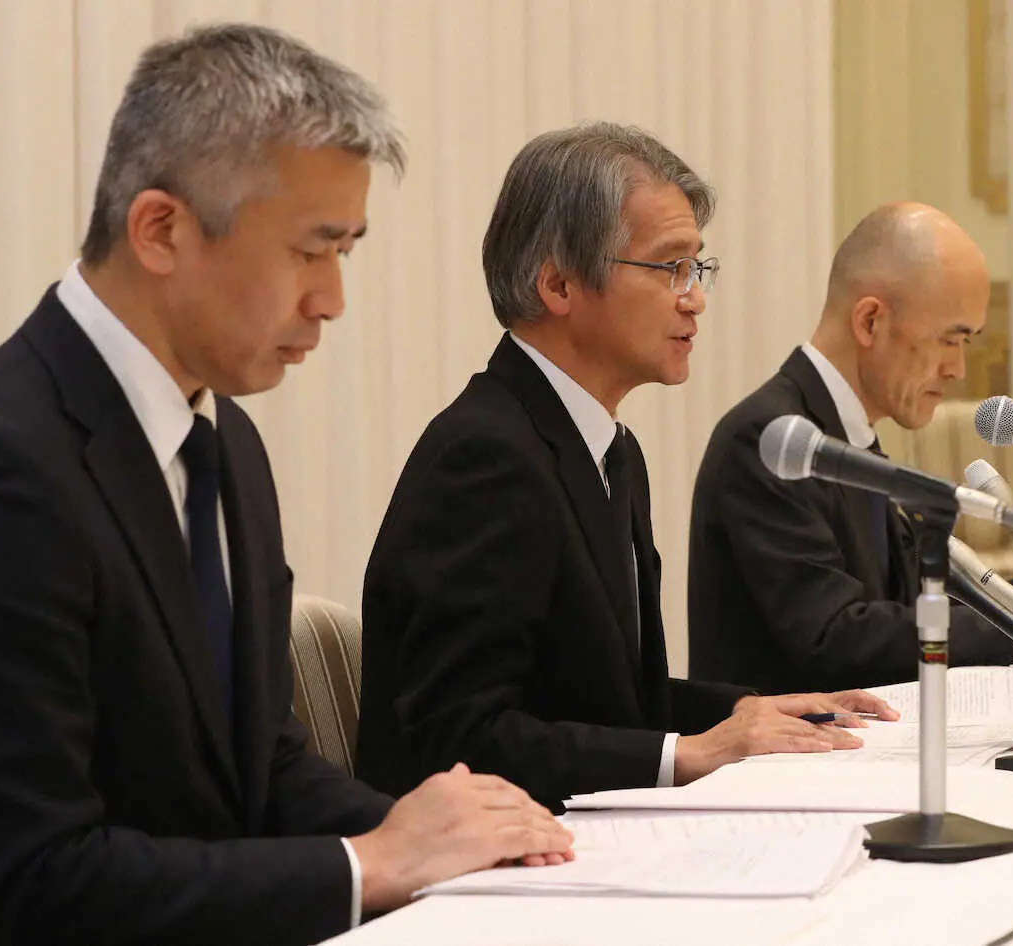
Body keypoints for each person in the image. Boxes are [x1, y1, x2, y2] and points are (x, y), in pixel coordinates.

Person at [0, 24, 570, 946]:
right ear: (161, 229)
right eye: (310, 250)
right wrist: (371, 864)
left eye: (347, 252)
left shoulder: (228, 444)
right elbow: (33, 877)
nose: (331, 299)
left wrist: (441, 840)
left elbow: (265, 764)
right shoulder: (2, 458)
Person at [356, 123, 896, 814]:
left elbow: (613, 701)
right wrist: (691, 752)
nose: (694, 297)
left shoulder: (610, 449)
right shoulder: (486, 456)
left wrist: (755, 710)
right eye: (669, 267)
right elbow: (456, 739)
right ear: (557, 282)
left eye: (697, 269)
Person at [687, 201, 1013, 695]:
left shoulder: (849, 432)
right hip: (781, 765)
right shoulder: (771, 441)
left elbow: (931, 593)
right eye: (951, 340)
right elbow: (838, 639)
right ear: (869, 322)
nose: (958, 370)